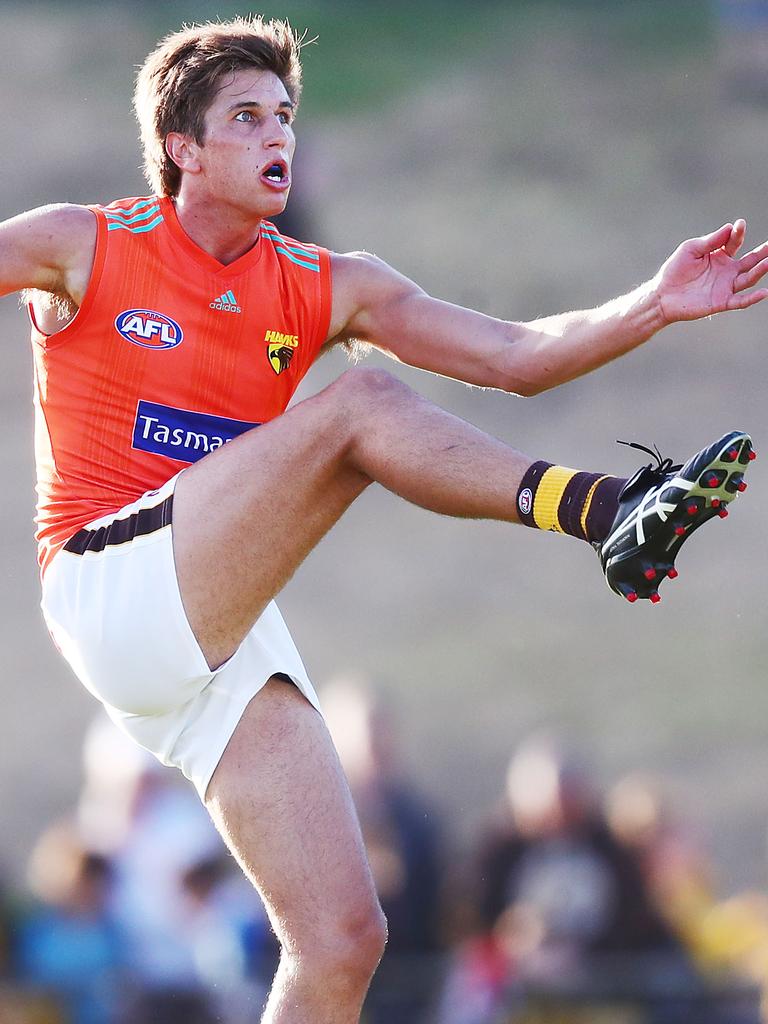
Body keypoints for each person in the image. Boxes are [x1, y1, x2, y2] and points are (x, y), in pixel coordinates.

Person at [1, 15, 764, 1024]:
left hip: (205, 627)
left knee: (343, 940)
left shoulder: (321, 285)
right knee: (361, 410)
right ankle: (609, 512)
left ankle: (616, 517)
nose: (279, 136)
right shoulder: (86, 242)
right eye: (246, 117)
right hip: (104, 588)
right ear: (182, 149)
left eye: (285, 115)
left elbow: (512, 355)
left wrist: (652, 304)